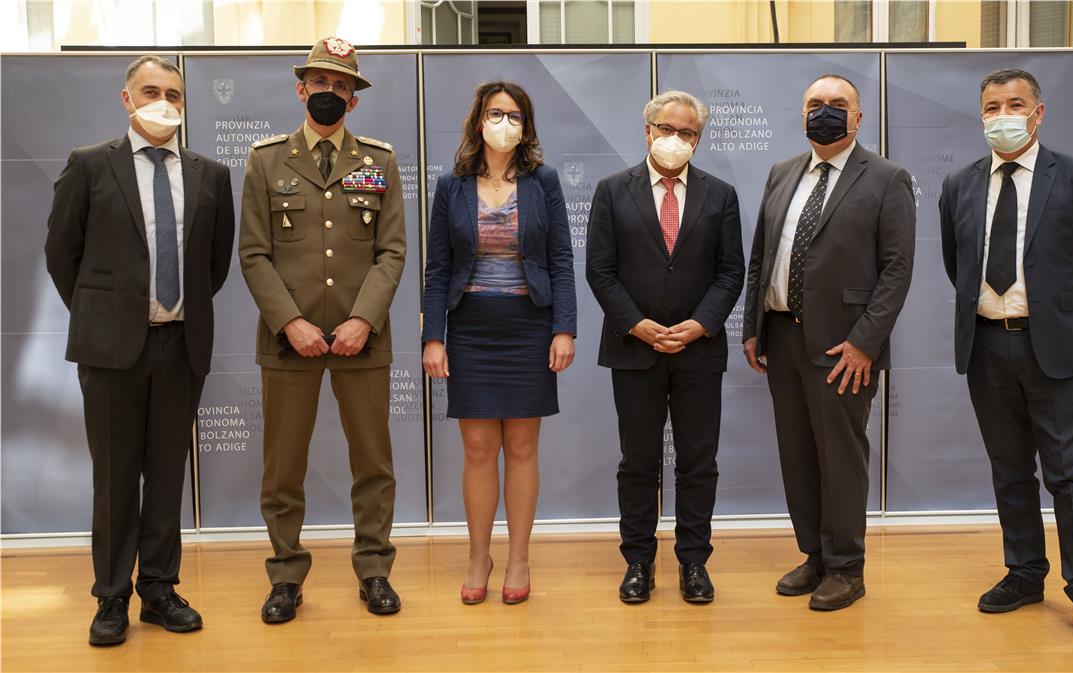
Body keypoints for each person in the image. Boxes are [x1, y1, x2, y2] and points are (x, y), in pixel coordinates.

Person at [45, 55, 235, 645]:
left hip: (181, 345)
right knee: (115, 477)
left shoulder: (210, 174)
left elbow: (214, 265)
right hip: (109, 351)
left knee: (167, 475)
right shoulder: (88, 165)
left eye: (174, 94)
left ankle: (158, 590)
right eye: (151, 91)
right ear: (127, 99)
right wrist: (104, 314)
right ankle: (110, 597)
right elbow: (62, 255)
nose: (163, 102)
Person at [939, 68, 1073, 647]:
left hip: (1056, 348)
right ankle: (1024, 573)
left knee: (1070, 475)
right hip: (987, 345)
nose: (1003, 116)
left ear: (1038, 113)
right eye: (992, 107)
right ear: (982, 115)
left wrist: (1068, 320)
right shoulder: (959, 184)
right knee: (1010, 469)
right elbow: (956, 264)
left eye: (1015, 105)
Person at [239, 37, 406, 624]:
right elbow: (254, 254)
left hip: (365, 339)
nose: (329, 92)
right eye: (320, 82)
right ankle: (285, 577)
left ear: (354, 100)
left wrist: (363, 319)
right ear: (301, 88)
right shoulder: (266, 160)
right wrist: (291, 323)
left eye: (342, 85)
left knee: (373, 464)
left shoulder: (378, 161)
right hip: (289, 343)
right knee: (283, 467)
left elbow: (391, 252)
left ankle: (375, 571)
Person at [742, 74, 915, 611]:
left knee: (840, 458)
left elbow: (897, 270)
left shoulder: (887, 178)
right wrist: (752, 326)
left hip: (844, 348)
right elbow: (762, 255)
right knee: (797, 455)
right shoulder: (782, 172)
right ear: (802, 114)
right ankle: (814, 555)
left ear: (858, 117)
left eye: (838, 104)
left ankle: (846, 567)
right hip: (782, 337)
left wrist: (865, 342)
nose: (825, 111)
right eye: (815, 103)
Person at [586, 90, 744, 605]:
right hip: (635, 350)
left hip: (699, 351)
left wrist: (701, 324)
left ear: (698, 139)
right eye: (668, 129)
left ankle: (694, 562)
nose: (677, 139)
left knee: (698, 462)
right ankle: (638, 562)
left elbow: (731, 271)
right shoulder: (613, 191)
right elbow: (600, 270)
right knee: (638, 462)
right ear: (648, 131)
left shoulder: (721, 195)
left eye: (688, 132)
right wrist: (637, 324)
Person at [422, 81, 576, 606]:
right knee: (479, 448)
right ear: (477, 121)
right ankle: (477, 556)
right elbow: (438, 268)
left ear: (526, 126)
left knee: (523, 447)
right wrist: (434, 337)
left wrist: (563, 327)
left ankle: (519, 558)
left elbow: (560, 259)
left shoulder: (543, 181)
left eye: (514, 115)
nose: (503, 123)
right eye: (494, 113)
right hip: (470, 329)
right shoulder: (452, 185)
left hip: (529, 327)